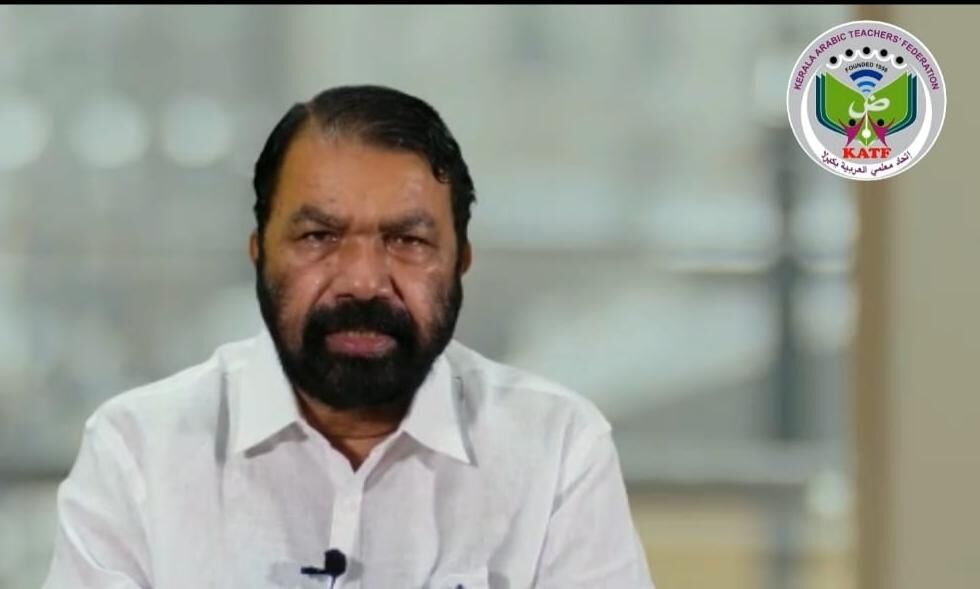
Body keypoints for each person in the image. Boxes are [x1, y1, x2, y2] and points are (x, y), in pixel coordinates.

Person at [42, 85, 655, 588]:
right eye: (319, 237)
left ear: (461, 260)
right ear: (258, 253)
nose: (363, 282)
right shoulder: (139, 450)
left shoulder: (557, 449)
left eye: (407, 241)